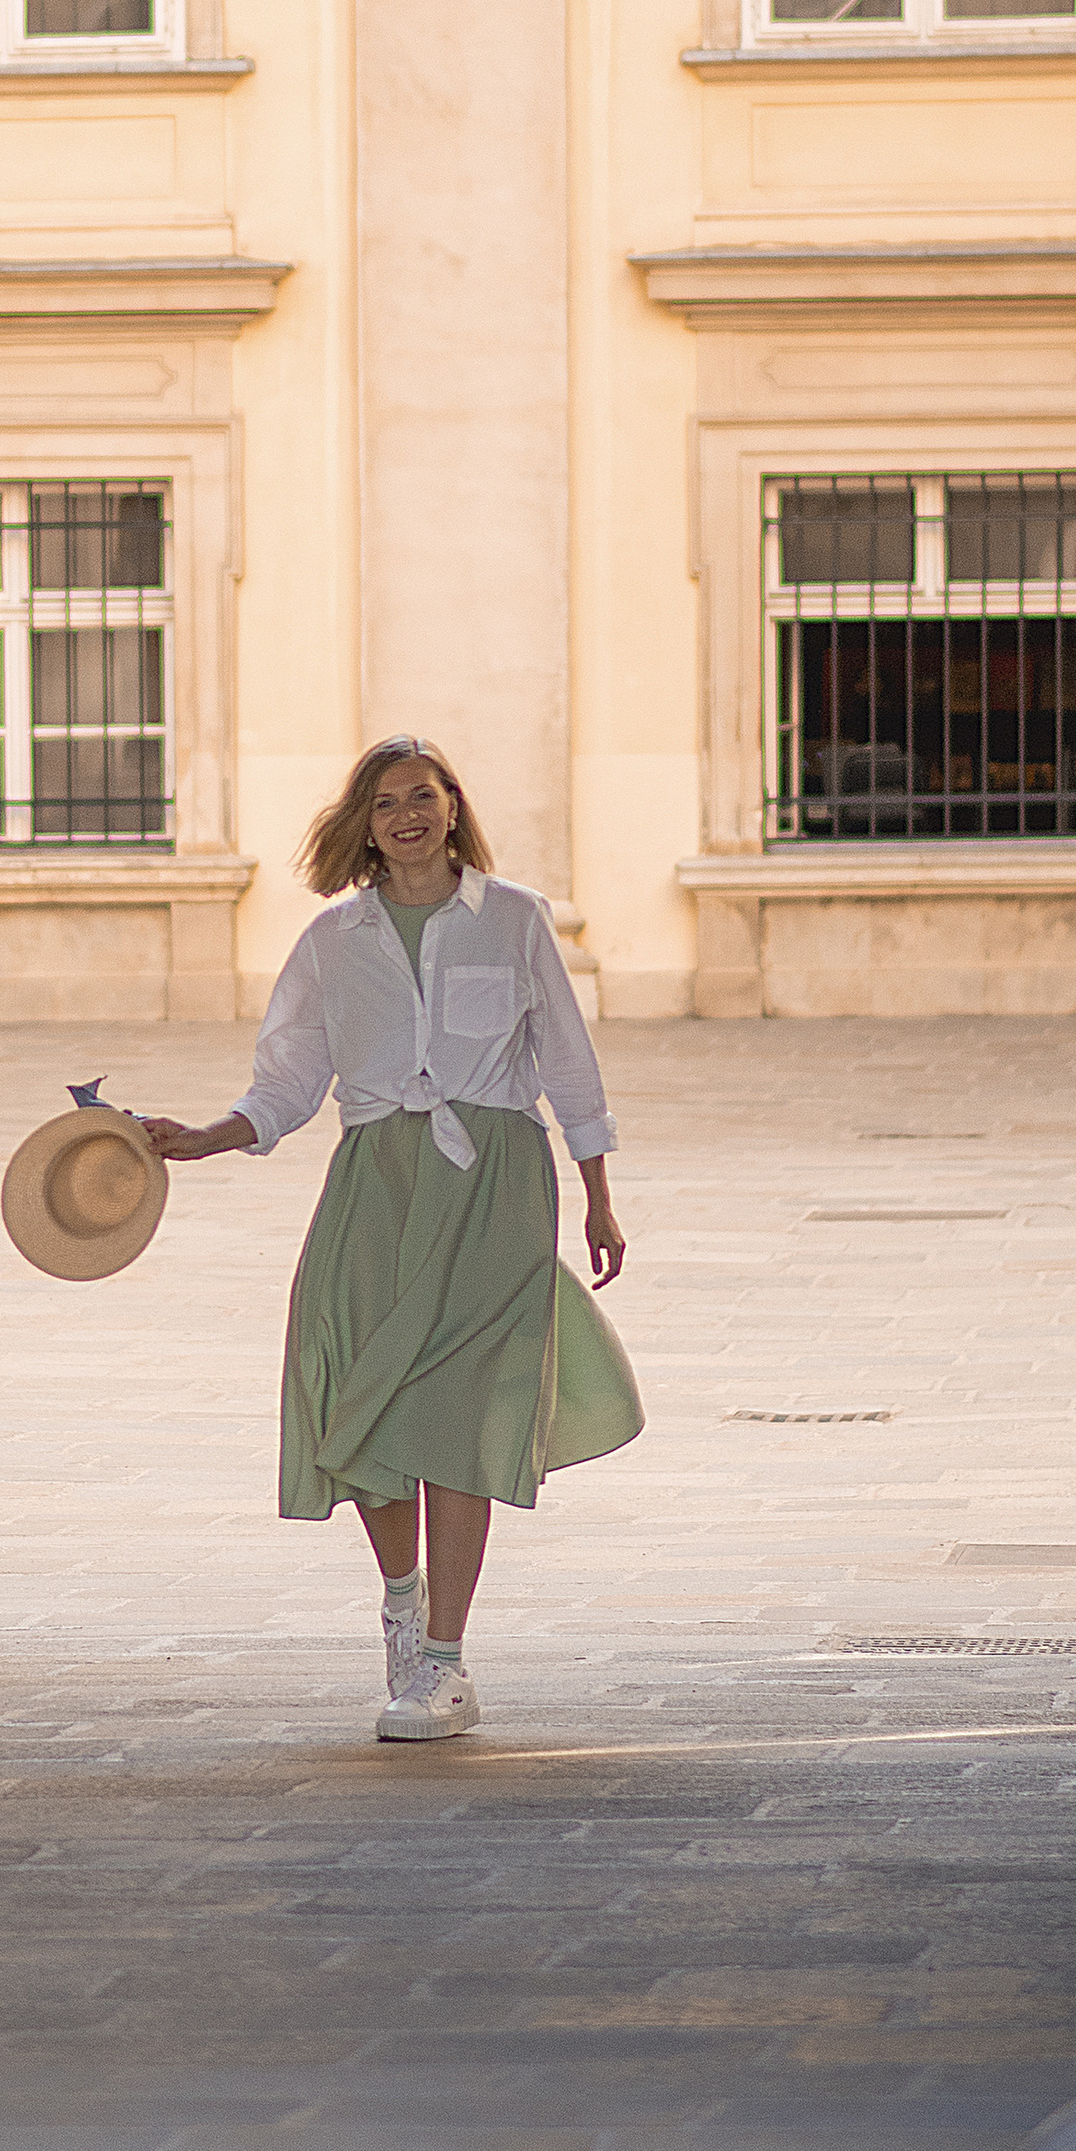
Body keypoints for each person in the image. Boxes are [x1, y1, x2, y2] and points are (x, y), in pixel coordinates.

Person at [142, 736, 639, 1742]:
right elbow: (286, 1079)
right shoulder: (333, 940)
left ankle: (445, 1665)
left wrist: (596, 1193)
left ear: (454, 807)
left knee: (459, 1415)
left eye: (422, 795)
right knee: (352, 1395)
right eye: (383, 802)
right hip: (374, 1184)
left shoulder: (515, 919)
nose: (405, 814)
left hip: (494, 1182)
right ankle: (402, 1595)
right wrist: (206, 1138)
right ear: (362, 825)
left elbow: (567, 1061)